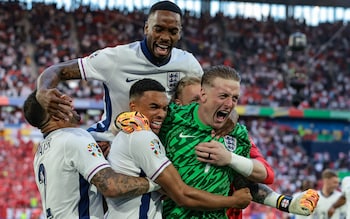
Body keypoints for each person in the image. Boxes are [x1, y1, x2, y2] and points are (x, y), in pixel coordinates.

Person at [157, 65, 319, 218]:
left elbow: (259, 177)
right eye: (223, 96)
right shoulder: (170, 118)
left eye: (234, 98)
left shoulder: (237, 134)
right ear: (203, 94)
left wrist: (286, 203)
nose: (229, 104)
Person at [35, 1, 203, 140]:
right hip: (113, 144)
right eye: (158, 29)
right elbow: (59, 70)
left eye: (172, 31)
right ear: (146, 28)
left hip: (162, 147)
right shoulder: (116, 58)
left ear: (179, 34)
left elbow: (208, 100)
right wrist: (42, 91)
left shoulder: (188, 64)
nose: (165, 37)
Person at [104, 78, 253, 218]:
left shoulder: (148, 133)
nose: (161, 114)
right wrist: (233, 201)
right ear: (133, 107)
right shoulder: (142, 136)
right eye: (154, 107)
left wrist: (231, 115)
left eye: (165, 108)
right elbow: (182, 194)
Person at [22, 90, 160, 218]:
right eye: (61, 100)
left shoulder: (41, 151)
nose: (69, 100)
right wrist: (157, 183)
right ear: (55, 112)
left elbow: (82, 194)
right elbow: (111, 186)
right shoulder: (73, 137)